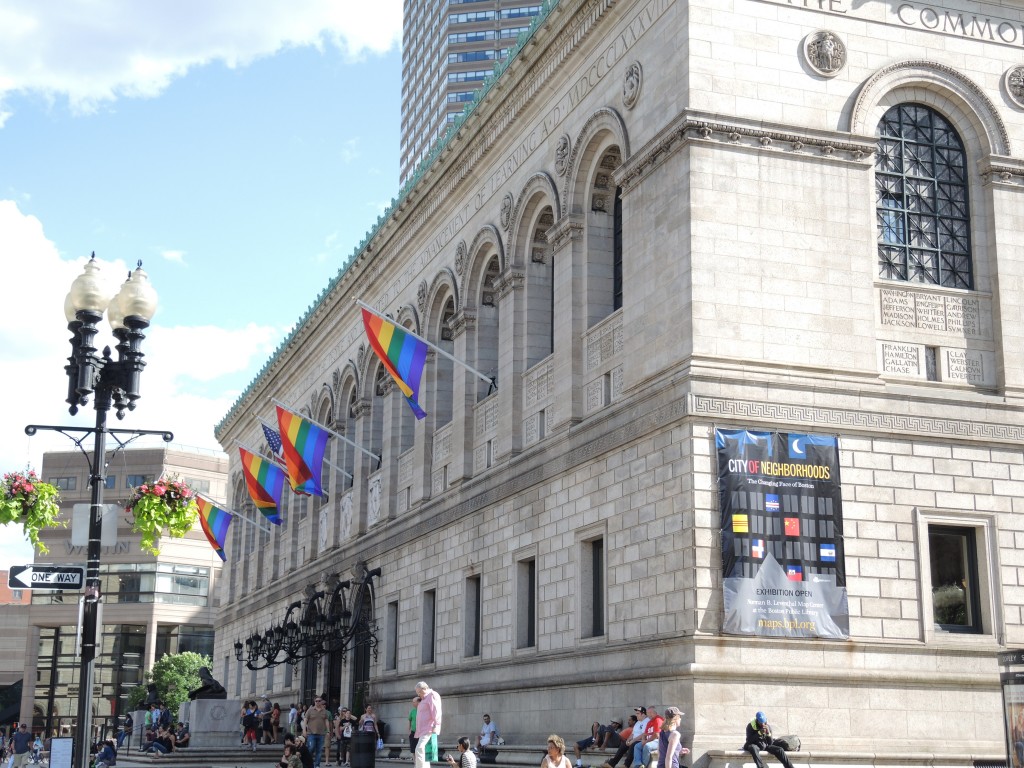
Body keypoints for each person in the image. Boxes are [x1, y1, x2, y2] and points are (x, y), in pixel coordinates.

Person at [414, 681, 442, 768]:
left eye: (419, 692)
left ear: (425, 689)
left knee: (419, 749)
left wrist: (435, 726)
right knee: (424, 752)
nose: (419, 694)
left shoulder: (432, 695)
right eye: (417, 693)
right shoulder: (424, 698)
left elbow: (436, 712)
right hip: (423, 729)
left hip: (429, 728)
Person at [305, 696, 332, 768]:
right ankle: (308, 762)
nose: (318, 702)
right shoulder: (310, 710)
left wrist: (328, 731)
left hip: (321, 734)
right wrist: (304, 730)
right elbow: (305, 719)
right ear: (314, 702)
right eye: (316, 701)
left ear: (321, 702)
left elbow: (326, 721)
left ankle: (317, 765)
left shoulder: (324, 711)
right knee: (311, 748)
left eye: (319, 701)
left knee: (319, 751)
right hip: (311, 733)